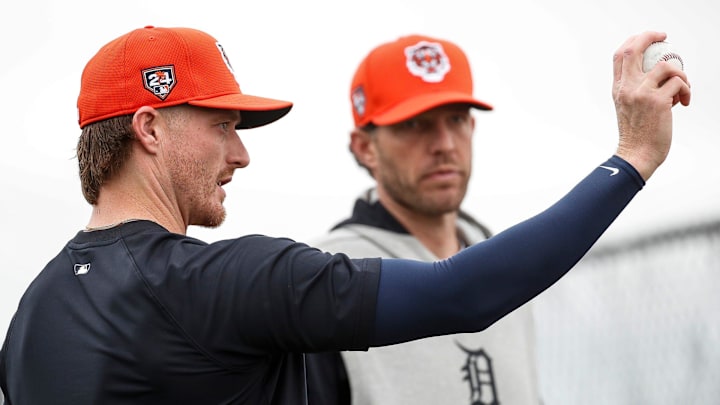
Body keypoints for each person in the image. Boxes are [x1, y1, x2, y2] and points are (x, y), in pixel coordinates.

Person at [0, 25, 689, 405]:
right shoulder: (219, 280)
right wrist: (631, 156)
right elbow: (465, 292)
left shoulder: (32, 312)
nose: (240, 154)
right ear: (149, 128)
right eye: (223, 125)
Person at [304, 34, 538, 405]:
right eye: (415, 124)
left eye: (457, 119)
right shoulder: (330, 273)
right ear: (366, 148)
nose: (444, 143)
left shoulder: (501, 259)